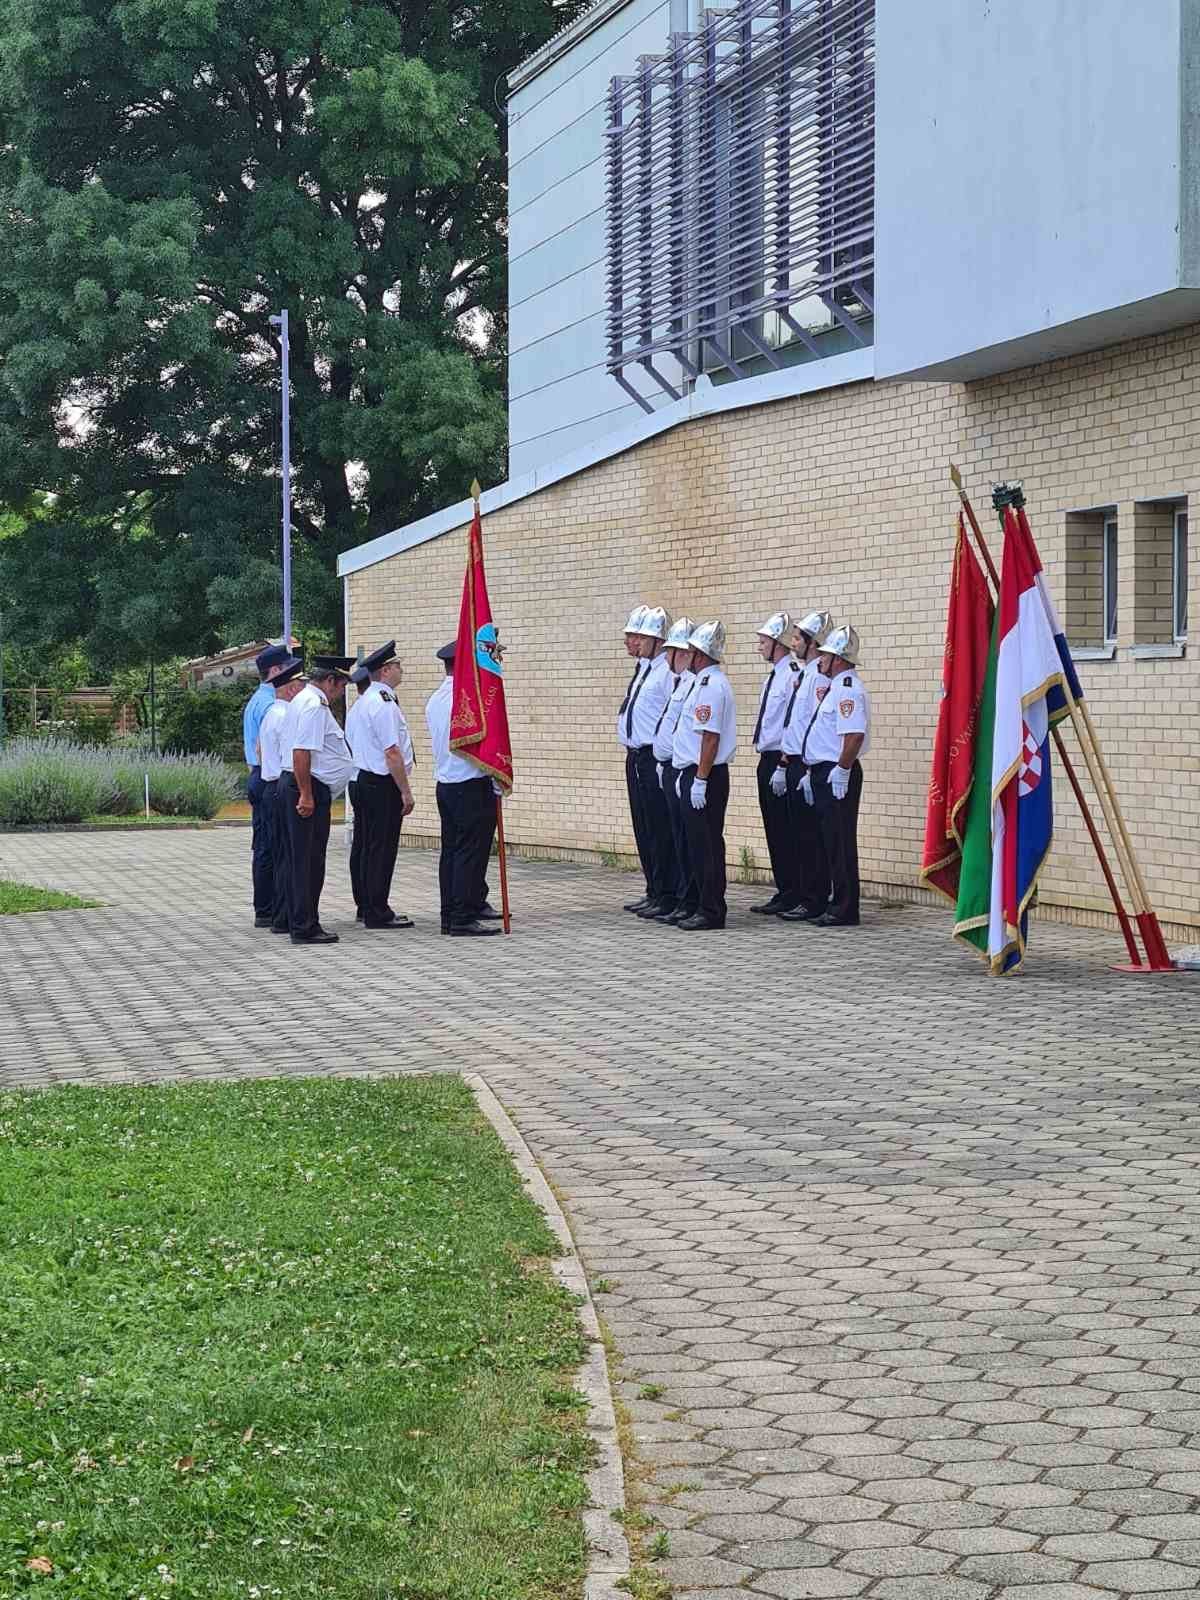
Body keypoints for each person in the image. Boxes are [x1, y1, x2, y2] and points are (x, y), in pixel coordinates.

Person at [425, 640, 502, 937]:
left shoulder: (436, 699)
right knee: (469, 854)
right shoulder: (466, 699)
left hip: (446, 784)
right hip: (469, 784)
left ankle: (450, 914)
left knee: (452, 853)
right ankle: (462, 917)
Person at [279, 654, 357, 944]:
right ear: (330, 680)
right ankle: (305, 926)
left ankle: (296, 920)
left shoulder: (303, 700)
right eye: (341, 685)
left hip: (303, 785)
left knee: (301, 859)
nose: (341, 692)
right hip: (307, 787)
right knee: (308, 861)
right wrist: (306, 794)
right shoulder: (313, 705)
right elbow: (301, 751)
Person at [798, 624, 869, 927]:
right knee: (828, 840)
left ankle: (845, 908)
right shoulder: (835, 686)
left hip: (838, 772)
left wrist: (842, 770)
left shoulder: (847, 688)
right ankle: (835, 901)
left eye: (826, 655)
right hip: (824, 771)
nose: (821, 659)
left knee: (840, 841)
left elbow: (854, 735)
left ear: (838, 659)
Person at [770, 611, 837, 924]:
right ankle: (802, 895)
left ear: (813, 643)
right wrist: (784, 762)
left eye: (798, 638)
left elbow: (815, 726)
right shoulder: (806, 675)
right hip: (794, 762)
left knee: (810, 837)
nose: (793, 643)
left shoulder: (819, 677)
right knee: (799, 835)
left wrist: (807, 769)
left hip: (807, 764)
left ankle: (814, 899)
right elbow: (795, 726)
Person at [673, 621, 736, 931]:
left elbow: (710, 738)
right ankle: (702, 904)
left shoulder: (711, 686)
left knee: (706, 844)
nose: (687, 655)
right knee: (697, 844)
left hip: (706, 774)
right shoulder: (702, 683)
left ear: (700, 654)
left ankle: (711, 910)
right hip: (695, 771)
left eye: (691, 651)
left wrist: (699, 780)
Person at [352, 640, 417, 930]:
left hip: (364, 780)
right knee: (382, 848)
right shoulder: (383, 702)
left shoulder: (363, 701)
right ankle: (378, 910)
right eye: (398, 665)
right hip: (381, 783)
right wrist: (405, 791)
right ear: (386, 670)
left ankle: (368, 905)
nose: (401, 670)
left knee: (368, 846)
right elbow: (392, 752)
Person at [749, 611, 804, 916]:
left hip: (781, 759)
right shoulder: (774, 676)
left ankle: (794, 891)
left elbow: (790, 724)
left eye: (764, 641)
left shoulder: (792, 675)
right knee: (774, 828)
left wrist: (783, 764)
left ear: (778, 643)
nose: (760, 646)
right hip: (766, 758)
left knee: (786, 830)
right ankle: (784, 889)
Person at [622, 606, 675, 918]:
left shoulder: (666, 671)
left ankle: (667, 892)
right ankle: (654, 889)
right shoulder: (645, 668)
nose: (634, 642)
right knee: (643, 825)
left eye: (640, 637)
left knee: (659, 826)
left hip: (653, 755)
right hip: (635, 754)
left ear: (658, 640)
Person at [254, 657, 307, 935]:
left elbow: (260, 750)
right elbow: (293, 756)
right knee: (287, 855)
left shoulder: (272, 712)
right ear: (291, 687)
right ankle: (284, 915)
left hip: (269, 786)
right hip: (279, 786)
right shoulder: (286, 715)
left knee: (279, 853)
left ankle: (279, 913)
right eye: (301, 684)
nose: (304, 689)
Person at [651, 616, 696, 925]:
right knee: (679, 839)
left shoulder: (695, 683)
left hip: (687, 769)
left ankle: (691, 900)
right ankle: (683, 899)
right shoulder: (681, 682)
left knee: (692, 842)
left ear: (683, 652)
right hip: (669, 766)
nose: (666, 656)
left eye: (670, 650)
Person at [243, 642, 291, 927]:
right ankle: (268, 908)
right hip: (267, 775)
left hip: (257, 775)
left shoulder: (258, 699)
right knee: (270, 846)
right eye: (287, 669)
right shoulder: (270, 704)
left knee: (264, 843)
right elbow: (264, 748)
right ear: (275, 671)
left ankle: (265, 907)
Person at [344, 663, 371, 921]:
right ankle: (370, 903)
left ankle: (364, 901)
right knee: (372, 845)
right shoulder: (373, 707)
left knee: (362, 843)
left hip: (357, 779)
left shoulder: (356, 710)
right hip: (369, 779)